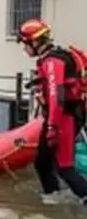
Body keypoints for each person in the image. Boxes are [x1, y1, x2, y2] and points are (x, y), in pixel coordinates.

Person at [16, 18, 87, 204]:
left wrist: (52, 127)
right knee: (42, 162)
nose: (25, 50)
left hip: (63, 118)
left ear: (35, 42)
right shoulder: (54, 57)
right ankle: (53, 198)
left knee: (65, 167)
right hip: (60, 117)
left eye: (25, 44)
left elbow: (57, 97)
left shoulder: (52, 62)